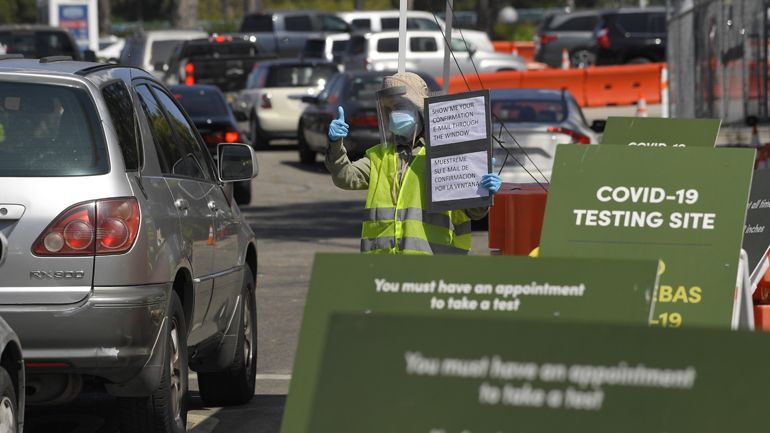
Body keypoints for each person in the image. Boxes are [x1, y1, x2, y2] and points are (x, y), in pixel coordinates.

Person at [325, 72, 502, 255]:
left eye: (400, 106)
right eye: (389, 108)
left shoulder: (445, 155)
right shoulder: (380, 155)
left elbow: (474, 213)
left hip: (431, 269)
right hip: (383, 269)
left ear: (418, 109)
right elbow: (345, 178)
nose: (394, 113)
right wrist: (335, 144)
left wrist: (482, 193)